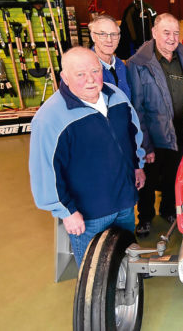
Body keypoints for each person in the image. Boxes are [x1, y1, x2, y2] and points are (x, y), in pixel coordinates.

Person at [29, 47, 146, 267]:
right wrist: (66, 212)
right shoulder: (50, 118)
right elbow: (45, 171)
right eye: (80, 74)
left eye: (95, 70)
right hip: (89, 213)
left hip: (124, 201)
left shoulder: (115, 95)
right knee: (94, 272)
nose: (91, 79)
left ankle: (129, 292)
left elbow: (133, 134)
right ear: (64, 77)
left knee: (126, 257)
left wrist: (137, 166)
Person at [128, 13, 183, 237]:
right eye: (166, 33)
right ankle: (145, 216)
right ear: (155, 33)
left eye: (176, 33)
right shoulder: (139, 63)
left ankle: (168, 210)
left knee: (173, 174)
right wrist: (145, 145)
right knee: (148, 177)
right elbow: (136, 107)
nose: (171, 38)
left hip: (181, 129)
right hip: (153, 133)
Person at [88, 14, 131, 99]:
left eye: (114, 34)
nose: (109, 40)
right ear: (93, 36)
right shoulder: (81, 67)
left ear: (119, 37)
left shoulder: (121, 66)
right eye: (102, 34)